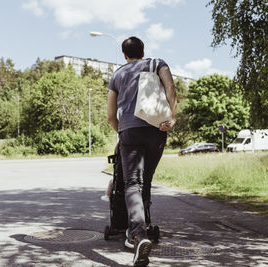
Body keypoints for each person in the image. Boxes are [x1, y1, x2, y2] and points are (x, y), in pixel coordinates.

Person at [107, 36, 177, 266]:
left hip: (130, 132)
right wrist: (172, 117)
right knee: (145, 181)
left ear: (125, 55)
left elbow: (110, 115)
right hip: (157, 129)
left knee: (132, 184)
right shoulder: (156, 63)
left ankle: (137, 235)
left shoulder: (117, 74)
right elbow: (170, 87)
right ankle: (143, 228)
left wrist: (122, 131)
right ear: (143, 51)